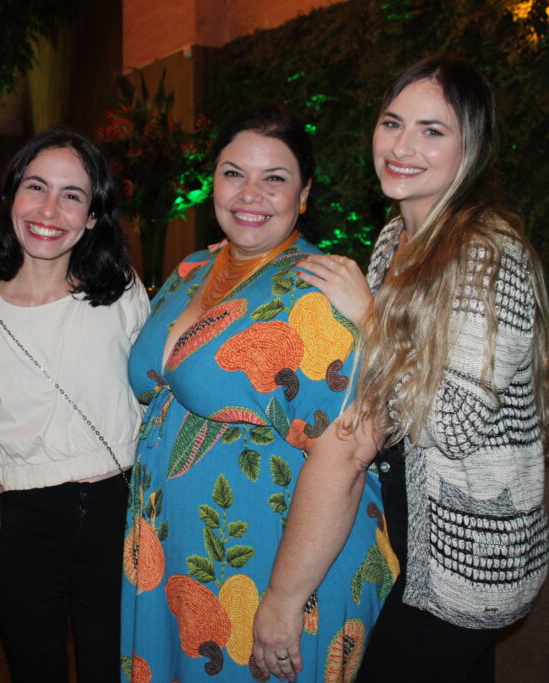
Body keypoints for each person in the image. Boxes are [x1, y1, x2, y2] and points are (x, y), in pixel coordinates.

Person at [298, 56, 549, 682]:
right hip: (411, 536)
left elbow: (453, 423)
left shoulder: (489, 255)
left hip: (471, 560)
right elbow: (391, 384)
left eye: (432, 131)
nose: (402, 146)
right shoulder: (395, 239)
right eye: (392, 123)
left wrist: (368, 316)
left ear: (472, 147)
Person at [121, 103, 397, 683]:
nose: (250, 193)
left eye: (274, 178)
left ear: (303, 195)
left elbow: (346, 452)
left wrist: (283, 598)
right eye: (232, 173)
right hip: (181, 552)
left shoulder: (316, 290)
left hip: (267, 560)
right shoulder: (193, 268)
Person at [0, 128, 149, 683]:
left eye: (72, 195)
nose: (49, 209)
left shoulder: (120, 293)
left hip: (119, 510)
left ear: (91, 217)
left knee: (115, 670)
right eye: (36, 187)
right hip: (23, 523)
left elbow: (155, 394)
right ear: (12, 196)